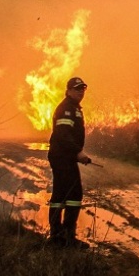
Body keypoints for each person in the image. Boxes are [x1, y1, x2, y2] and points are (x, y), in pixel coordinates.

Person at [48, 76, 93, 247]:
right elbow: (63, 134)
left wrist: (76, 153)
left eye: (82, 89)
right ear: (68, 91)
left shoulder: (74, 108)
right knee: (74, 195)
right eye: (77, 89)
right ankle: (67, 237)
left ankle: (57, 237)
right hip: (62, 157)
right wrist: (78, 152)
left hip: (64, 157)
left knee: (60, 195)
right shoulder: (66, 109)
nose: (81, 92)